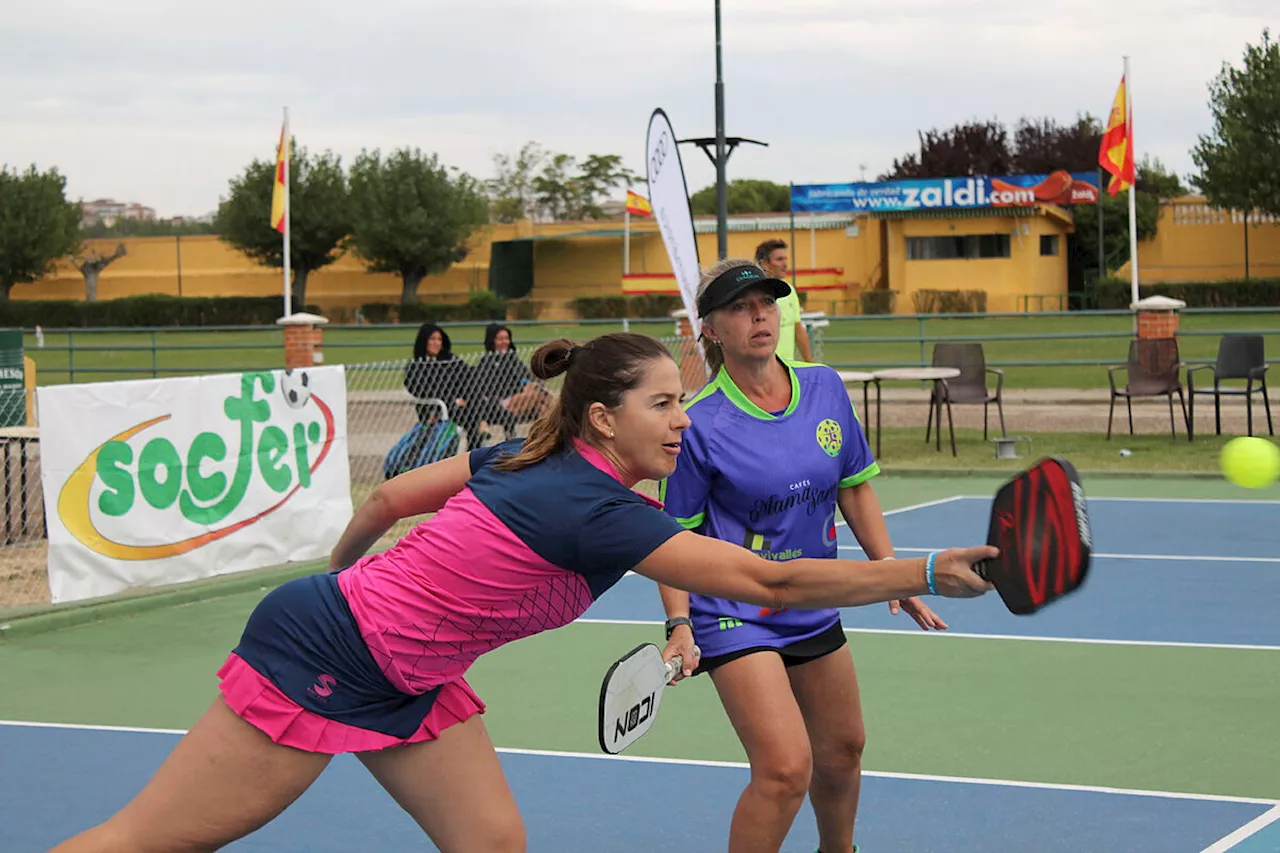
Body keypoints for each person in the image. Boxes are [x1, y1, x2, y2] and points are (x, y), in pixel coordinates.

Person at [46, 332, 996, 853]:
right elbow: (766, 577)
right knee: (153, 840)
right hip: (327, 658)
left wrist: (338, 572)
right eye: (664, 405)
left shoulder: (531, 452)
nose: (682, 421)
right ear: (602, 416)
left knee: (493, 840)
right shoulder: (596, 508)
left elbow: (387, 497)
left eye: (681, 400)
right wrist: (918, 568)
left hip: (410, 669)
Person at [656, 259, 945, 853]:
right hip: (734, 611)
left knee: (842, 753)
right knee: (786, 769)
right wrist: (680, 624)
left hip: (813, 599)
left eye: (766, 302)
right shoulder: (700, 423)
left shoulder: (824, 386)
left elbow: (855, 485)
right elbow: (672, 539)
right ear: (709, 328)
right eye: (739, 307)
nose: (759, 315)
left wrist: (894, 576)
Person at [459, 323, 553, 442]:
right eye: (500, 339)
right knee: (540, 394)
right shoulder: (486, 361)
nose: (505, 342)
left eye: (507, 338)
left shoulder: (512, 358)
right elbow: (488, 389)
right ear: (492, 341)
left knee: (543, 403)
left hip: (521, 399)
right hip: (502, 402)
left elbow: (526, 377)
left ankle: (547, 436)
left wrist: (528, 385)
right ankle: (552, 432)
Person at [403, 321, 473, 437]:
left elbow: (468, 379)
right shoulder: (415, 365)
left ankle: (475, 449)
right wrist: (453, 400)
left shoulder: (451, 360)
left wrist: (464, 397)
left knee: (476, 409)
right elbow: (420, 390)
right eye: (432, 339)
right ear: (424, 341)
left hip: (460, 406)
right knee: (473, 414)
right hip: (432, 408)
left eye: (439, 340)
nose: (436, 343)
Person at [756, 239, 813, 363]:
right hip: (763, 368)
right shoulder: (755, 295)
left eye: (786, 259)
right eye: (779, 259)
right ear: (764, 264)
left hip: (788, 368)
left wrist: (810, 363)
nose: (785, 264)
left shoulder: (790, 291)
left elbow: (798, 330)